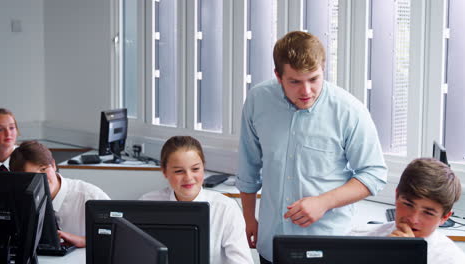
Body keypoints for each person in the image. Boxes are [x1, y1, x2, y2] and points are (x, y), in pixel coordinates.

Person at [236, 31, 388, 263]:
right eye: (295, 81)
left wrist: (324, 202)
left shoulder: (349, 111)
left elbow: (374, 174)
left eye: (314, 79)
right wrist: (249, 218)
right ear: (278, 76)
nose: (306, 91)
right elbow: (249, 166)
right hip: (272, 243)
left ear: (323, 69)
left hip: (328, 246)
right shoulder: (258, 100)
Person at [140, 136, 254, 264]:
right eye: (179, 171)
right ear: (165, 172)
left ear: (203, 167)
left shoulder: (225, 209)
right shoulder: (148, 204)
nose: (188, 178)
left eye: (195, 169)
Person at [349, 158, 465, 263]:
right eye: (408, 204)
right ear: (396, 197)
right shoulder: (357, 240)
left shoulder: (454, 260)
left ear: (444, 217)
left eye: (428, 213)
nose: (413, 219)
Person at [9, 140, 111, 248]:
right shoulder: (17, 200)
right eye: (32, 176)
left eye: (43, 169)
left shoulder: (90, 196)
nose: (42, 180)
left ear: (53, 165)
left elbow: (116, 235)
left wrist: (84, 240)